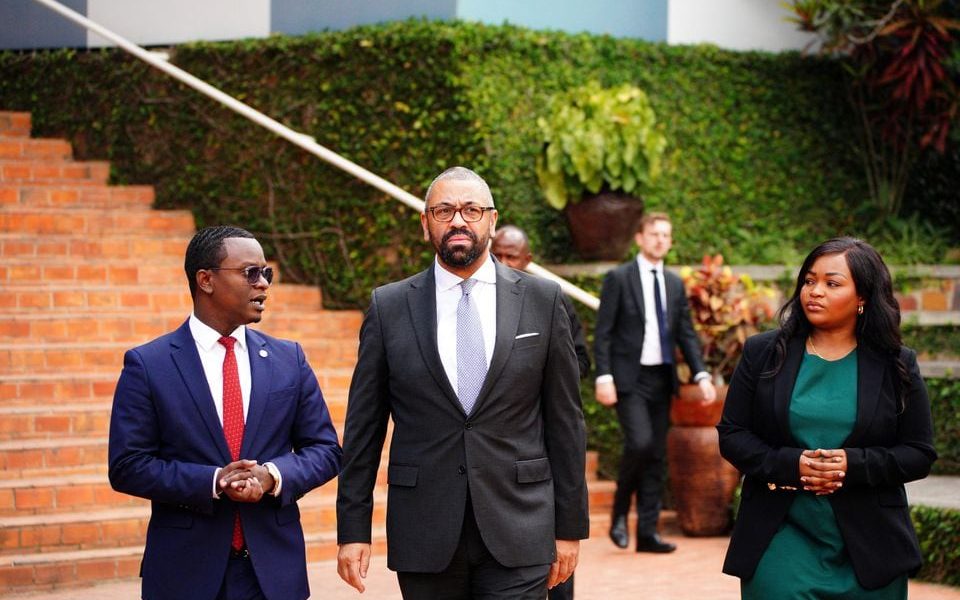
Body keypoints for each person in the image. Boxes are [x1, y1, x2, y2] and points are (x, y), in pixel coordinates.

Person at [336, 166, 589, 599]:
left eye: (471, 210)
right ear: (425, 223)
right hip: (425, 529)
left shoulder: (543, 301)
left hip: (521, 525)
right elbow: (364, 429)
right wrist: (353, 530)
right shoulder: (389, 307)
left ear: (491, 219)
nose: (458, 220)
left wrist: (569, 528)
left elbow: (566, 422)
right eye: (444, 210)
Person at [108, 226, 343, 600]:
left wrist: (273, 476)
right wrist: (214, 481)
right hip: (185, 574)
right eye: (251, 272)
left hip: (274, 574)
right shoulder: (149, 365)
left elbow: (326, 450)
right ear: (206, 280)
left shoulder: (289, 359)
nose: (264, 284)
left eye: (267, 273)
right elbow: (128, 465)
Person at [717, 236, 937, 598]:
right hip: (781, 533)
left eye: (832, 283)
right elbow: (733, 434)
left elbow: (918, 452)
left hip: (870, 545)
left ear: (862, 297)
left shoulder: (896, 363)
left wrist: (852, 465)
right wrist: (791, 464)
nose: (814, 291)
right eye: (809, 280)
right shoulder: (764, 353)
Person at [593, 212, 717, 553]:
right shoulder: (618, 278)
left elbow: (687, 335)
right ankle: (620, 511)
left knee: (657, 456)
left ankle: (647, 534)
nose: (660, 240)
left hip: (662, 379)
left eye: (666, 235)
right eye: (654, 234)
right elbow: (602, 333)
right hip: (629, 379)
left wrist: (702, 374)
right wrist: (603, 376)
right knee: (641, 444)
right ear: (640, 238)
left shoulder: (675, 283)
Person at [490, 224, 590, 600]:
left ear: (528, 260)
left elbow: (580, 360)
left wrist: (540, 374)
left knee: (558, 569)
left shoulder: (552, 300)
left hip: (544, 441)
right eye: (498, 253)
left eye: (511, 255)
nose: (504, 261)